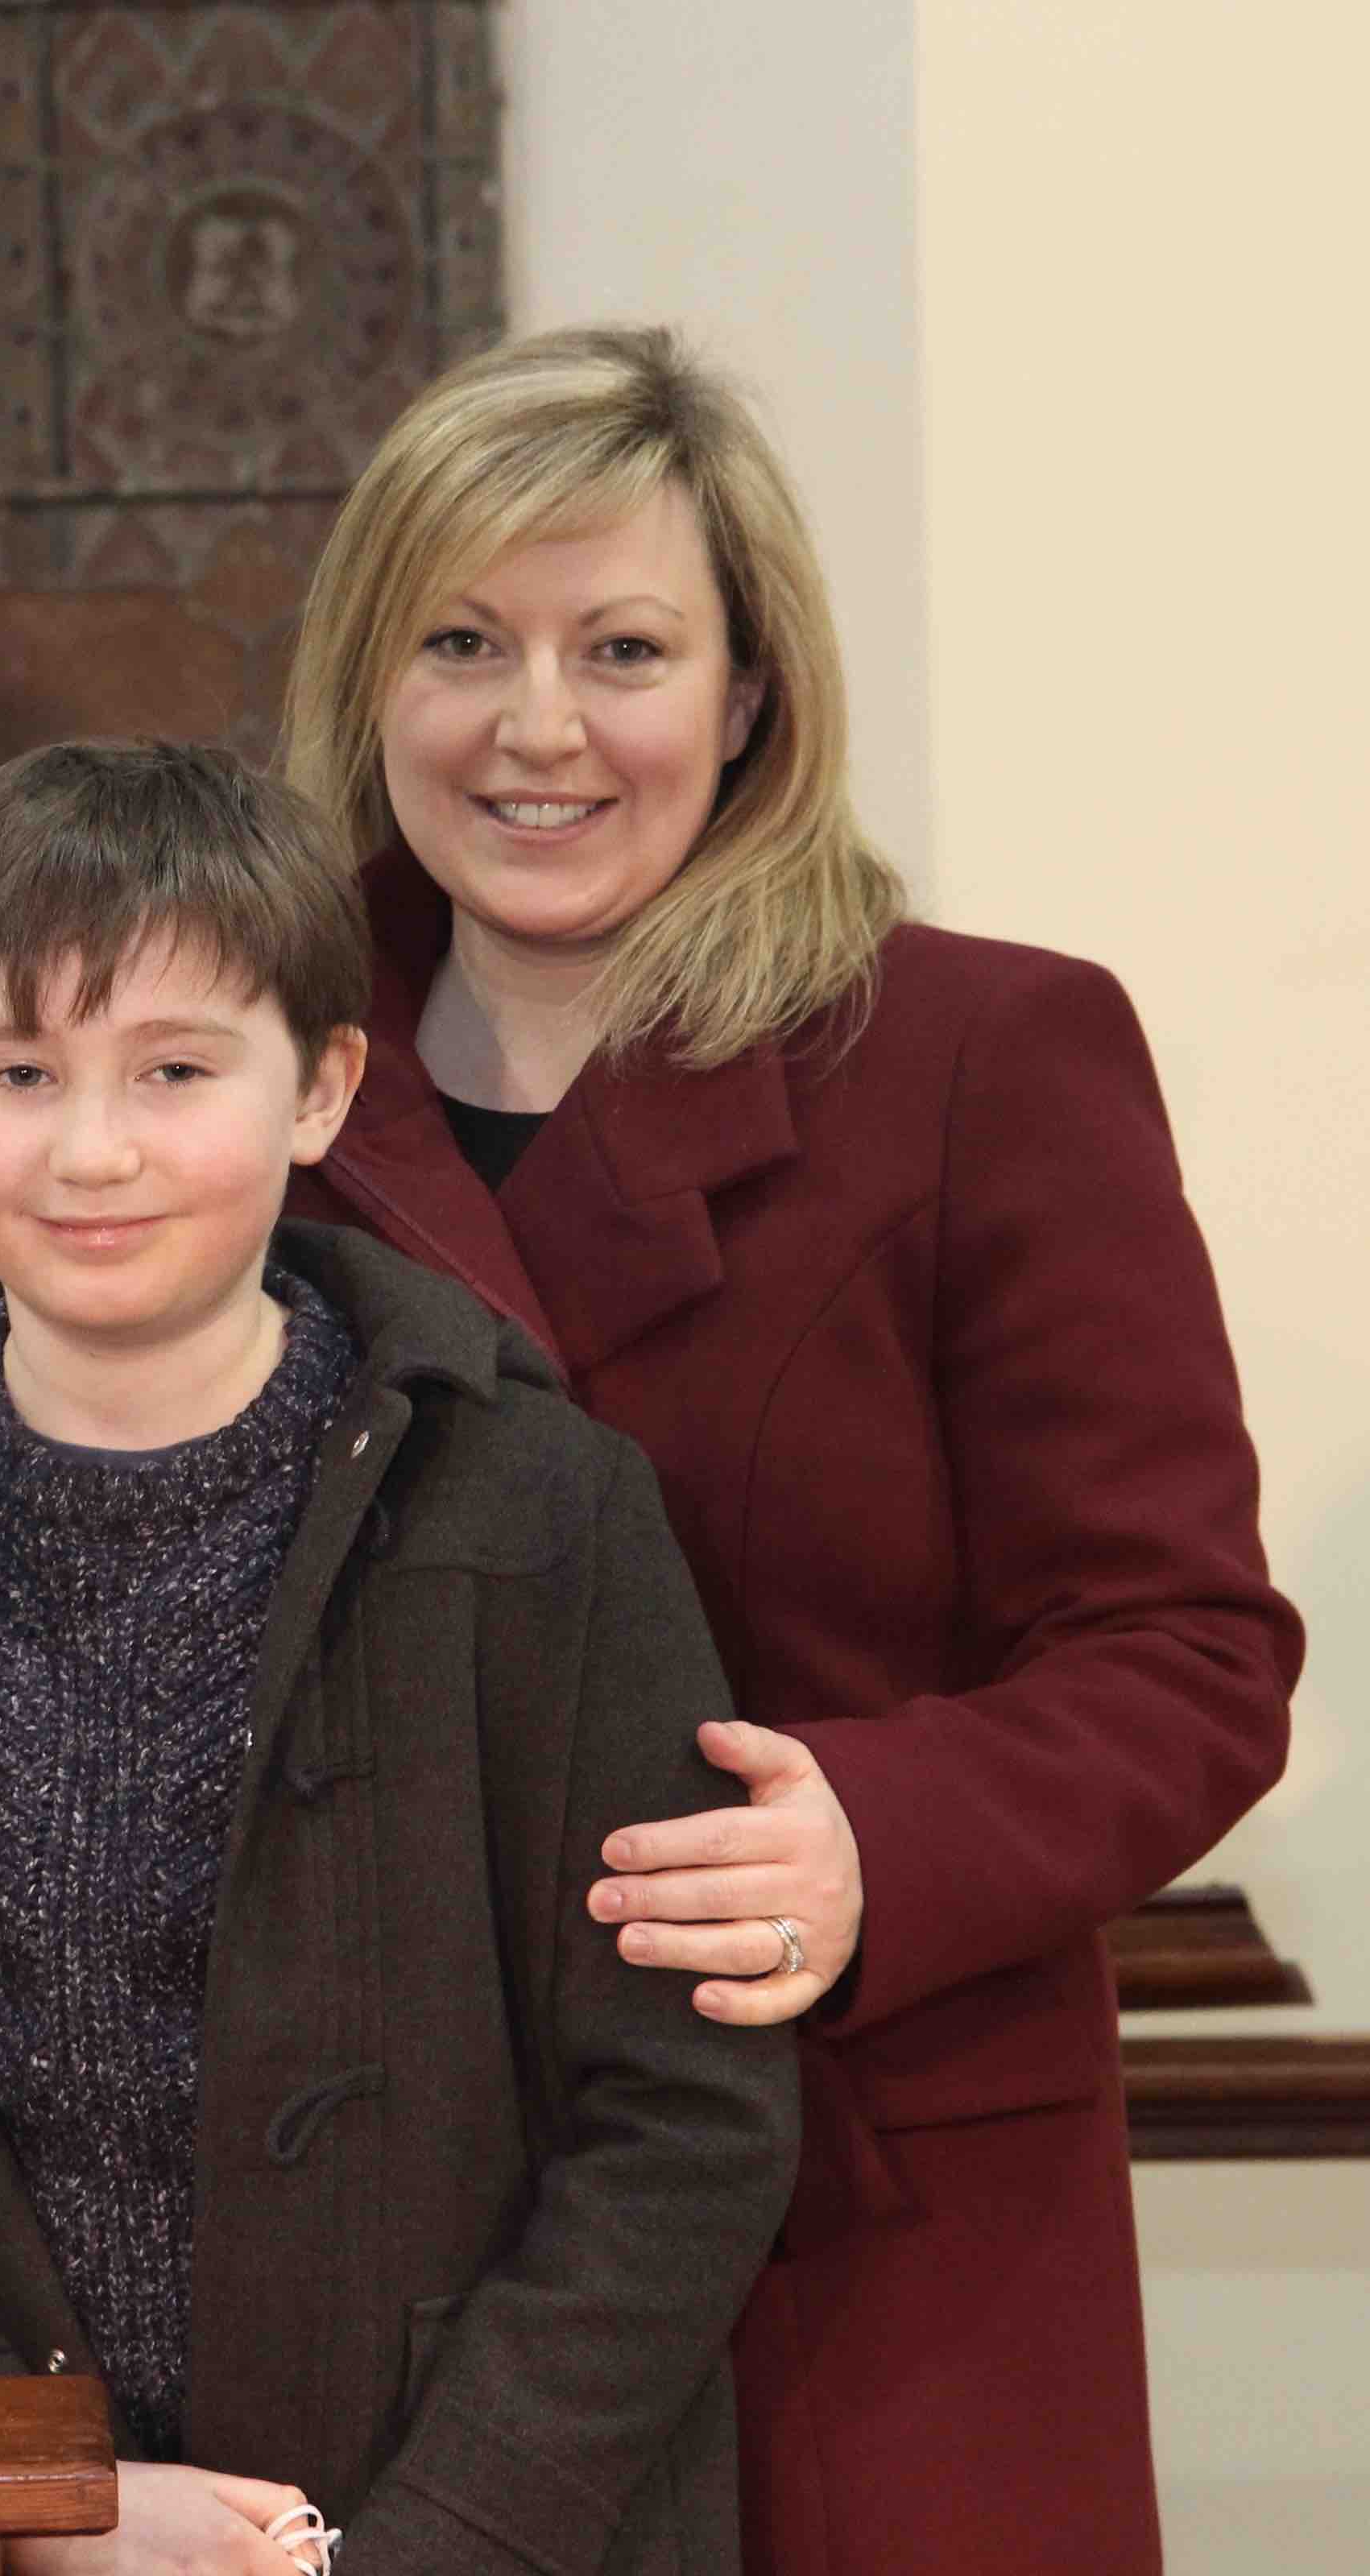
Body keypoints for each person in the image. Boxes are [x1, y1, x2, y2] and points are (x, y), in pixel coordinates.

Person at [273, 325, 1300, 2574]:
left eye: (621, 649)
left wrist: (886, 1836)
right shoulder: (245, 1073)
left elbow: (1187, 1649)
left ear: (745, 695)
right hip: (378, 2265)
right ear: (370, 680)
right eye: (463, 643)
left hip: (867, 2241)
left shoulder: (977, 1055)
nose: (537, 727)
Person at [0, 742, 797, 2574]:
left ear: (316, 1086)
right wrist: (30, 2487)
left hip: (476, 2524)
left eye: (172, 1068)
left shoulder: (538, 1498)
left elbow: (678, 2120)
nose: (90, 1149)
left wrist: (425, 2538)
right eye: (16, 1071)